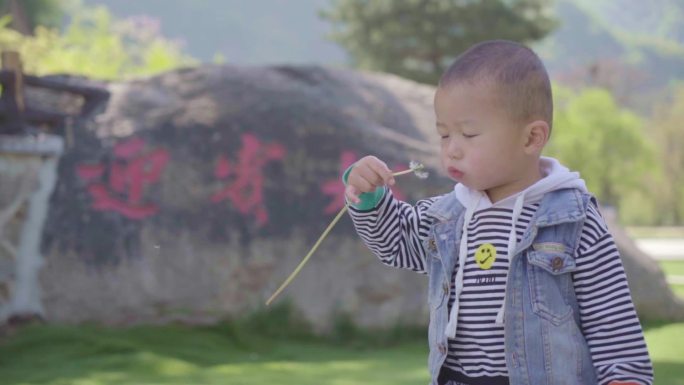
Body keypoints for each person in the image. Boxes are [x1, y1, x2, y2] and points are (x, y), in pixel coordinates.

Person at [342, 40, 653, 385]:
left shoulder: (573, 220)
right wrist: (370, 198)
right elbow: (395, 242)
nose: (452, 150)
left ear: (531, 138)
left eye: (469, 134)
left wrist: (624, 378)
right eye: (444, 135)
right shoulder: (448, 217)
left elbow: (612, 323)